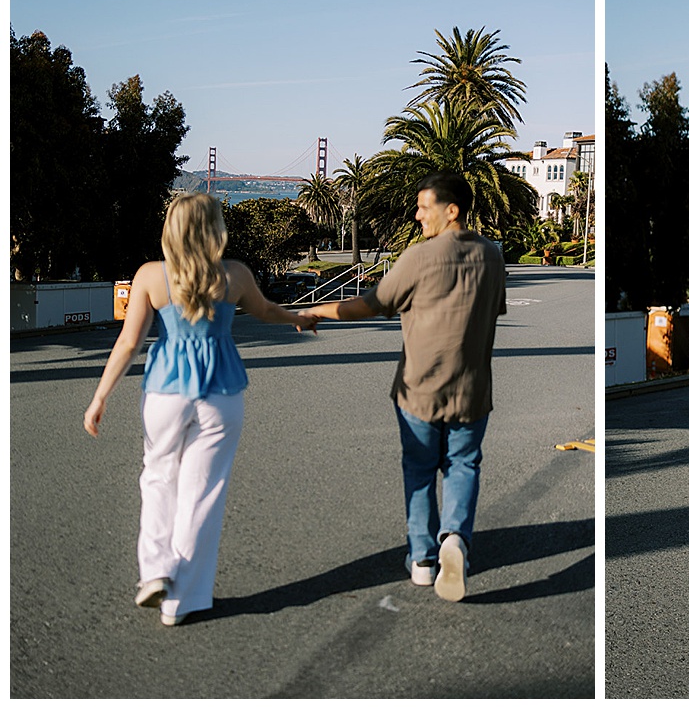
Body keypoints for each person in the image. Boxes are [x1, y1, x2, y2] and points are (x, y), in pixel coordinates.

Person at [84, 193, 317, 626]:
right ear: (215, 229)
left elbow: (129, 342)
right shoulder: (236, 275)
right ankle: (182, 602)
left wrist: (100, 396)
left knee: (157, 476)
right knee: (202, 493)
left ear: (171, 228)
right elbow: (266, 311)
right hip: (221, 391)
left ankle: (154, 571)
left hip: (166, 392)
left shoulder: (151, 276)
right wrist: (297, 318)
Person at [300, 172, 506, 602]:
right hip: (472, 388)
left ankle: (423, 560)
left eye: (424, 208)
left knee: (418, 469)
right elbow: (492, 312)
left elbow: (372, 304)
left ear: (452, 210)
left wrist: (319, 311)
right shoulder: (492, 256)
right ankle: (456, 541)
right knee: (463, 464)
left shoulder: (419, 257)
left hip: (419, 388)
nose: (417, 216)